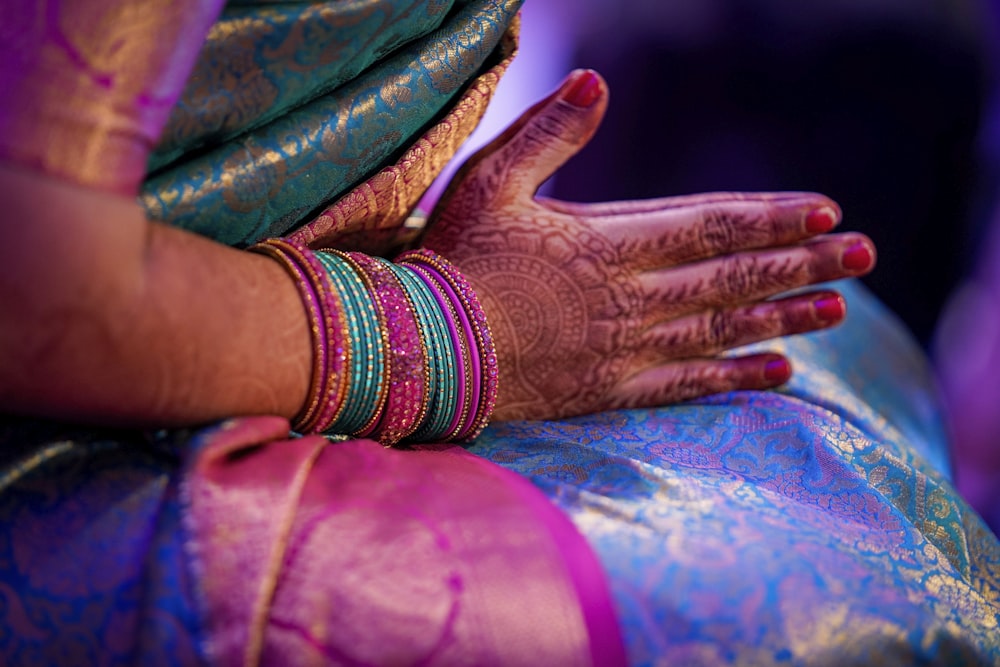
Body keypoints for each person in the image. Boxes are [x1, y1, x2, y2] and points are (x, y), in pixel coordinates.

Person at [0, 1, 996, 665]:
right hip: (62, 426)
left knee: (831, 385)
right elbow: (30, 289)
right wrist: (452, 327)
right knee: (772, 600)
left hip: (246, 303)